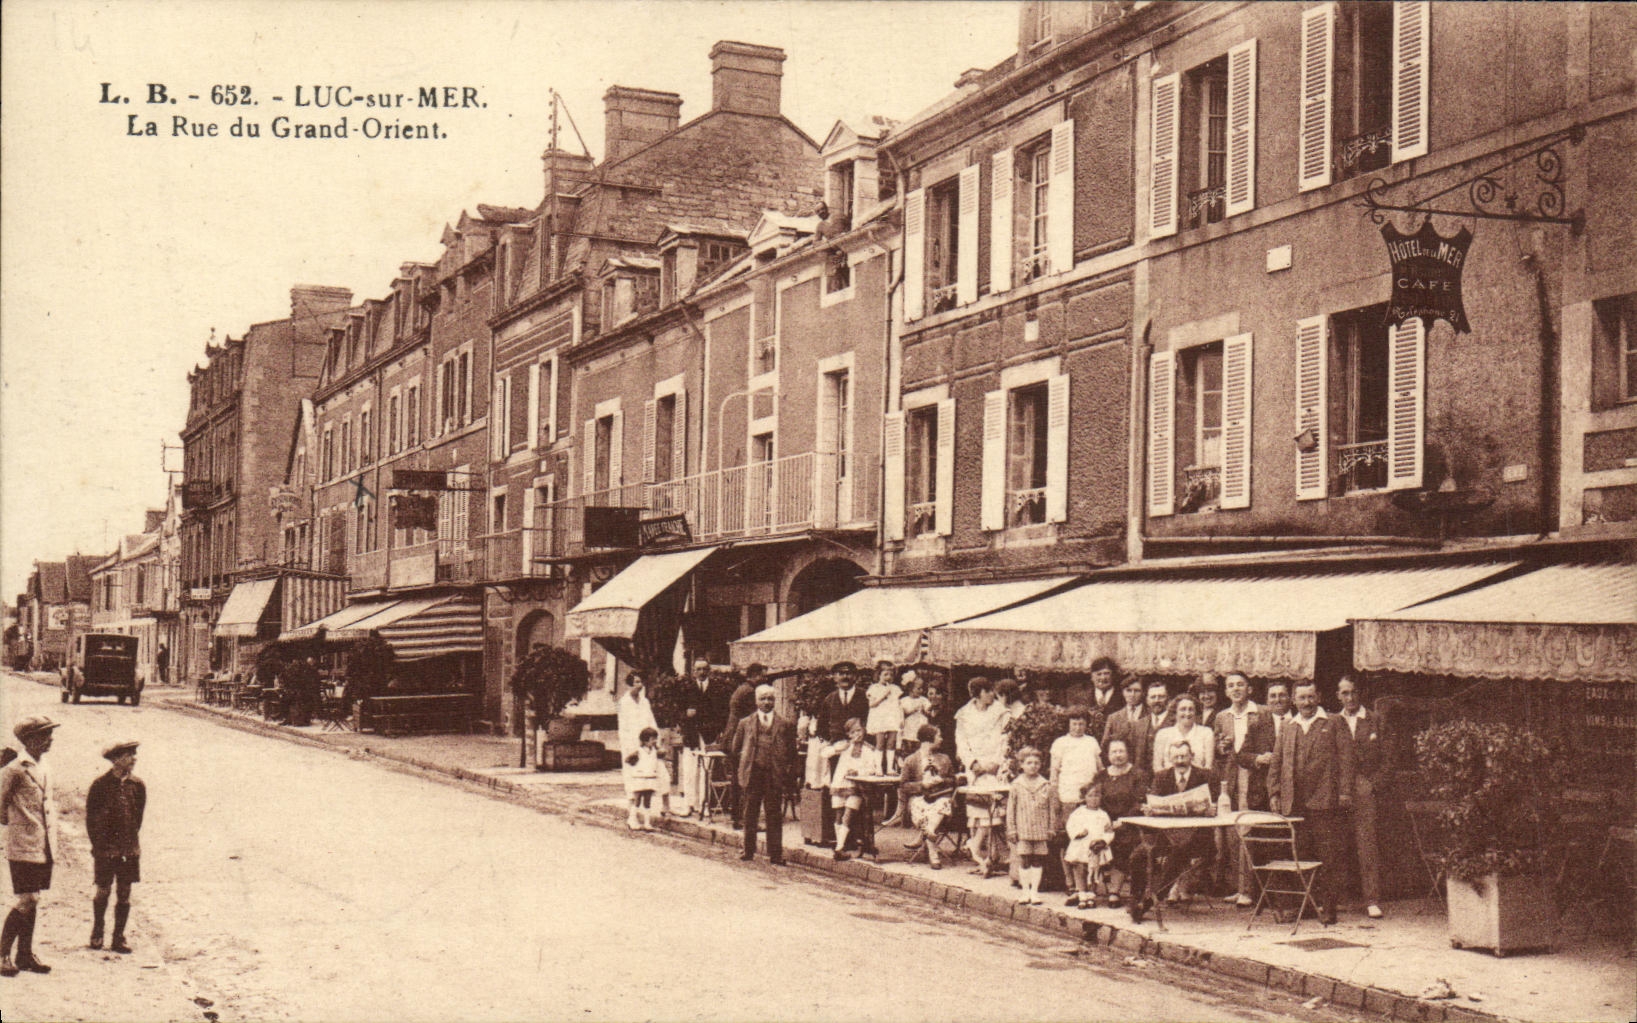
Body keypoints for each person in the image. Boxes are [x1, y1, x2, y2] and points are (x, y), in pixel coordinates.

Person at [1267, 681, 1354, 925]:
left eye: (1311, 697)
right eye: (1302, 698)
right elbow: (1277, 761)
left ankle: (1329, 907)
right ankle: (1306, 904)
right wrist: (1274, 792)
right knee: (1300, 855)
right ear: (1294, 701)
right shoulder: (1288, 725)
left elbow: (1347, 760)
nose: (1306, 703)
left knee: (1327, 856)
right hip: (1295, 801)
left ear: (1319, 697)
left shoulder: (1334, 722)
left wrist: (1345, 793)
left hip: (1325, 800)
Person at [1128, 740, 1220, 922]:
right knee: (1138, 856)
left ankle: (1149, 903)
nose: (1180, 761)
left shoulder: (1205, 776)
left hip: (1197, 838)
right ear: (1170, 759)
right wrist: (1151, 809)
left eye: (1184, 756)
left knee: (1176, 857)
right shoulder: (1162, 777)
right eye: (1176, 757)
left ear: (1191, 756)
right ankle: (1135, 898)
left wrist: (1212, 809)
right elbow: (1153, 801)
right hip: (1167, 836)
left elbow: (1218, 803)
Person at [0, 715, 61, 976]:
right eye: (46, 735)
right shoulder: (14, 769)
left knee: (33, 900)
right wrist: (17, 823)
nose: (50, 739)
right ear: (32, 739)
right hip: (23, 844)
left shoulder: (42, 765)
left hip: (43, 844)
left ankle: (24, 954)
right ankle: (3, 955)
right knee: (28, 899)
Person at [85, 740, 146, 953]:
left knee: (125, 892)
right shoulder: (100, 785)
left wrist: (129, 842)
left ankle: (118, 937)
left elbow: (137, 818)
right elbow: (91, 819)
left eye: (134, 755)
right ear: (116, 760)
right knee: (102, 890)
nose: (134, 759)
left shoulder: (137, 785)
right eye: (129, 755)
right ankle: (98, 930)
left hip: (129, 848)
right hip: (105, 849)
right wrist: (99, 846)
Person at [1212, 672, 1266, 906]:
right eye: (1231, 686)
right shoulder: (1222, 717)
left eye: (1240, 685)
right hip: (1231, 777)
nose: (1236, 689)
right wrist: (1221, 748)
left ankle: (1250, 889)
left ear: (1249, 689)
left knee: (1248, 829)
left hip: (1253, 776)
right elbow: (1219, 749)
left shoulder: (1261, 713)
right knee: (1233, 832)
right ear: (1226, 691)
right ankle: (1238, 885)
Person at [727, 684, 796, 865]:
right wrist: (744, 766)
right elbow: (735, 748)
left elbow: (791, 752)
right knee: (750, 813)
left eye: (770, 699)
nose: (767, 702)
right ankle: (748, 851)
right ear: (756, 701)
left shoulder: (785, 724)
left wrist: (788, 775)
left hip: (774, 774)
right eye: (763, 698)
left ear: (775, 701)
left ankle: (776, 854)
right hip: (753, 773)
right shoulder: (745, 723)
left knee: (774, 814)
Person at [1335, 676, 1384, 919]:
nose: (1350, 698)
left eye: (1353, 692)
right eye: (1344, 693)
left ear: (1359, 693)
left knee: (1367, 845)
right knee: (1340, 843)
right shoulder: (1333, 721)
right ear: (1338, 696)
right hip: (1339, 790)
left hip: (1365, 789)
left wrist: (1373, 784)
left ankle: (1372, 900)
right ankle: (1341, 898)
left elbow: (1390, 757)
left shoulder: (1374, 719)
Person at [954, 677, 1010, 877]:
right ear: (978, 694)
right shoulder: (964, 714)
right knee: (977, 811)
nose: (991, 695)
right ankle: (983, 857)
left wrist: (995, 763)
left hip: (995, 766)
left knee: (994, 811)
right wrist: (973, 763)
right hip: (976, 767)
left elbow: (1006, 739)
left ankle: (986, 853)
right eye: (987, 691)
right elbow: (961, 742)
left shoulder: (1001, 713)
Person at [814, 662, 870, 847]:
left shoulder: (864, 697)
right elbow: (821, 726)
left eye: (849, 673)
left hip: (860, 752)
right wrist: (831, 743)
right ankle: (840, 839)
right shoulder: (829, 699)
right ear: (834, 677)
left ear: (855, 677)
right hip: (837, 753)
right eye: (840, 674)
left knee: (859, 791)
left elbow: (872, 721)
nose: (845, 677)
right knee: (838, 794)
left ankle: (860, 837)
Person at [1049, 706, 1102, 896]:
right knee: (1070, 840)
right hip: (1068, 796)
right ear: (1068, 724)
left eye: (1081, 723)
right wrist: (1055, 798)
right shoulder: (1060, 743)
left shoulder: (1092, 742)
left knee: (1092, 838)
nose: (1078, 727)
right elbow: (1054, 773)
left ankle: (1089, 883)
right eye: (1074, 724)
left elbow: (1099, 767)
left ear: (1086, 725)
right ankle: (1069, 881)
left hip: (1089, 798)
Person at [1096, 738, 1148, 908]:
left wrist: (1122, 821)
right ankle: (1085, 889)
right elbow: (1093, 798)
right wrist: (1102, 820)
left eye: (1121, 751)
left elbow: (1139, 802)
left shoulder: (1137, 775)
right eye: (1114, 752)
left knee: (1124, 840)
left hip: (1130, 822)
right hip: (1105, 822)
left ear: (1128, 753)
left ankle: (1115, 891)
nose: (1117, 755)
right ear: (1107, 755)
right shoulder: (1101, 776)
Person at [898, 726, 955, 868]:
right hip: (920, 799)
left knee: (943, 804)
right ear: (929, 739)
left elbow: (953, 781)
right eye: (939, 736)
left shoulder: (944, 759)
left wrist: (942, 780)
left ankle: (929, 836)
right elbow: (903, 785)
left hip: (940, 798)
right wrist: (922, 784)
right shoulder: (911, 760)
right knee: (920, 806)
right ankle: (933, 852)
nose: (941, 739)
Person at [1006, 749, 1057, 905]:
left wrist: (1051, 828)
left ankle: (1034, 892)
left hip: (1041, 829)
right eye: (1029, 763)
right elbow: (1011, 809)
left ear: (1041, 765)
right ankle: (1025, 891)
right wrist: (1012, 829)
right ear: (1021, 765)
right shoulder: (1017, 785)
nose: (1033, 766)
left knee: (1038, 860)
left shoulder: (1045, 785)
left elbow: (1051, 809)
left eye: (1036, 763)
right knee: (1024, 859)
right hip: (1023, 829)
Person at [618, 673, 671, 824]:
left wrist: (656, 742)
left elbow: (652, 722)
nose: (639, 685)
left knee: (662, 774)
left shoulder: (645, 702)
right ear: (629, 684)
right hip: (633, 747)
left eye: (641, 682)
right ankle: (632, 815)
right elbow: (624, 729)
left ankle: (666, 807)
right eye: (636, 682)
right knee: (635, 782)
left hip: (649, 744)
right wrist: (632, 750)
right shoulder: (624, 703)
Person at [825, 719, 878, 861]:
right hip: (839, 783)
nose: (857, 734)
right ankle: (840, 846)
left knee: (847, 816)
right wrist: (837, 749)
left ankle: (839, 848)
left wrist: (858, 771)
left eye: (859, 730)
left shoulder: (868, 749)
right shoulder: (844, 746)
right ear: (848, 734)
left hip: (856, 786)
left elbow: (873, 768)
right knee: (838, 815)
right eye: (853, 732)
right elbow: (824, 754)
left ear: (864, 730)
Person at [720, 664, 764, 827]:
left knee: (739, 779)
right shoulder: (750, 692)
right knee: (746, 779)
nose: (763, 679)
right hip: (740, 739)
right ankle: (743, 818)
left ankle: (737, 817)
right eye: (762, 675)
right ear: (754, 675)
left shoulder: (741, 689)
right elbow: (752, 718)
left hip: (733, 737)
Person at [1063, 780, 1116, 908]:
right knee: (1080, 869)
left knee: (1094, 871)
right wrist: (1078, 833)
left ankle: (1091, 895)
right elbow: (1070, 826)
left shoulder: (1103, 814)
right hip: (1081, 846)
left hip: (1096, 848)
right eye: (1090, 795)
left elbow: (1109, 831)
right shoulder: (1079, 812)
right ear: (1084, 797)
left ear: (1101, 797)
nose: (1093, 799)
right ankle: (1081, 894)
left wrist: (1103, 841)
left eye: (1097, 795)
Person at [1151, 694, 1214, 774]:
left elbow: (1208, 767)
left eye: (1191, 709)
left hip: (1198, 783)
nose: (1187, 713)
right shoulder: (1163, 734)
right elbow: (1157, 767)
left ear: (1196, 712)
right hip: (1168, 783)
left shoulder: (1206, 733)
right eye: (1183, 709)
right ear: (1175, 712)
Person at [1102, 676, 1149, 768]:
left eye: (1137, 691)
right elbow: (1105, 746)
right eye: (1128, 690)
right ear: (1123, 692)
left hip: (1142, 768)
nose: (1132, 694)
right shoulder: (1113, 718)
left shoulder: (1150, 715)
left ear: (1143, 693)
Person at [865, 660, 904, 769]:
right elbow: (871, 704)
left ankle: (890, 768)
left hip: (892, 718)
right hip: (880, 718)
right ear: (879, 675)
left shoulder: (895, 689)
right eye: (885, 674)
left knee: (891, 743)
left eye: (891, 674)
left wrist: (901, 719)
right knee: (880, 743)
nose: (888, 677)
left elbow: (898, 705)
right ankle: (878, 768)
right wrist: (883, 696)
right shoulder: (874, 688)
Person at [623, 729, 664, 831]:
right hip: (639, 779)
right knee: (637, 799)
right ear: (645, 740)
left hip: (650, 778)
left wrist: (658, 746)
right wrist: (637, 766)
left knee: (647, 800)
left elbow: (663, 754)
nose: (654, 741)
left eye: (655, 738)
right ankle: (632, 820)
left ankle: (647, 823)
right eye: (652, 739)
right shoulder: (639, 751)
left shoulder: (654, 751)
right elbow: (628, 760)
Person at [897, 673, 930, 756]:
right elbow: (900, 716)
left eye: (922, 688)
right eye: (918, 688)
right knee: (909, 750)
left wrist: (925, 711)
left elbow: (929, 711)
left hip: (920, 728)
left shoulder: (923, 700)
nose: (921, 691)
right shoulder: (904, 701)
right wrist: (910, 711)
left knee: (921, 751)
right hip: (909, 729)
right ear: (910, 689)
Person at [1086, 657, 1121, 736]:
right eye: (1099, 674)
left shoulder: (1122, 697)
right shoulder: (1084, 697)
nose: (1103, 678)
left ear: (1113, 675)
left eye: (1106, 673)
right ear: (1092, 677)